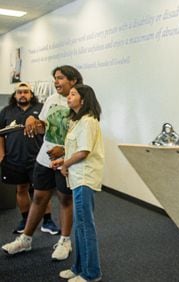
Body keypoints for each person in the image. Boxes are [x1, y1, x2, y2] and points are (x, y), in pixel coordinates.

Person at [2, 65, 83, 261]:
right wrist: (32, 119)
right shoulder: (52, 99)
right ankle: (26, 239)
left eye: (60, 78)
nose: (56, 81)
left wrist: (64, 150)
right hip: (44, 158)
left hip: (67, 160)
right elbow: (44, 126)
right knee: (38, 197)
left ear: (73, 80)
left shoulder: (82, 101)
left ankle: (65, 241)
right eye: (55, 77)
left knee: (65, 199)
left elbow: (85, 135)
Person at [52, 84, 104, 282]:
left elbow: (84, 152)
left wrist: (65, 164)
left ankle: (92, 273)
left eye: (73, 94)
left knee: (85, 225)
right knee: (79, 225)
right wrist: (62, 160)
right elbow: (76, 148)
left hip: (85, 177)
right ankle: (79, 267)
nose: (68, 96)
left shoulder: (89, 121)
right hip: (76, 177)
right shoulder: (77, 121)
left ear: (83, 100)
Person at [0, 82, 60, 235]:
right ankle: (25, 219)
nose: (22, 94)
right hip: (14, 158)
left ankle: (47, 221)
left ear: (31, 94)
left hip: (38, 158)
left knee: (42, 191)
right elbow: (0, 134)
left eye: (26, 92)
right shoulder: (6, 111)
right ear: (15, 95)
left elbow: (50, 128)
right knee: (21, 189)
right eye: (19, 92)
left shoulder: (40, 109)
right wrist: (1, 153)